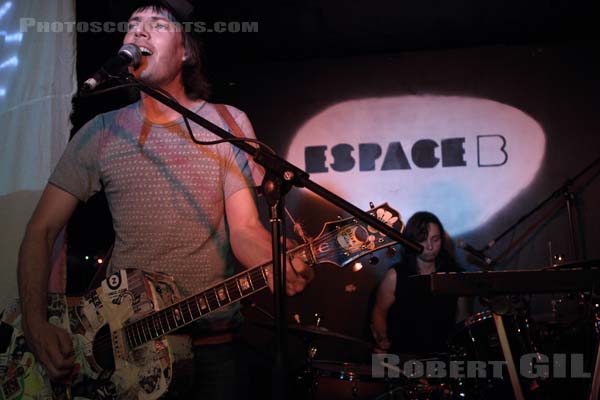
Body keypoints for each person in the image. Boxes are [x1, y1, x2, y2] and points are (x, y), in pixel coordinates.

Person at [16, 1, 312, 398]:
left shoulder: (226, 123)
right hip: (123, 351)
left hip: (213, 350)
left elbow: (244, 231)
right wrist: (35, 325)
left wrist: (280, 261)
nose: (138, 32)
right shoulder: (102, 132)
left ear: (186, 51)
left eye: (156, 24)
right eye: (132, 24)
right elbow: (41, 229)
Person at [371, 211, 469, 355]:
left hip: (441, 356)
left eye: (435, 239)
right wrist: (382, 339)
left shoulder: (453, 275)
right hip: (402, 357)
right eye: (423, 240)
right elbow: (379, 311)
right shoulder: (396, 276)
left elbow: (462, 317)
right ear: (411, 240)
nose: (430, 246)